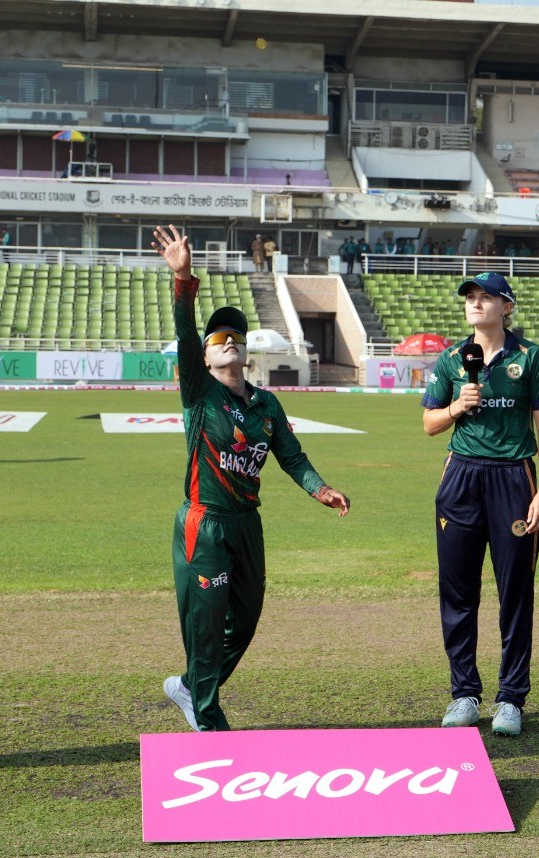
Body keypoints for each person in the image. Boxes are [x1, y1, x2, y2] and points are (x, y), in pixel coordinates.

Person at [150, 224, 351, 732]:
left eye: (236, 335)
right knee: (206, 620)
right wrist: (183, 278)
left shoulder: (266, 404)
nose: (230, 341)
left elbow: (291, 454)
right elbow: (184, 331)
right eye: (219, 338)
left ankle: (191, 684)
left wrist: (318, 487)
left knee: (246, 617)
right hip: (206, 523)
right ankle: (206, 713)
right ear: (205, 355)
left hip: (247, 525)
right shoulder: (199, 393)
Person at [421, 271, 539, 738]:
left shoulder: (530, 357)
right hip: (460, 476)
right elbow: (429, 423)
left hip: (513, 479)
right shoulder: (451, 360)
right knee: (458, 592)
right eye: (471, 298)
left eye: (486, 297)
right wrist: (457, 407)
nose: (476, 304)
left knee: (515, 593)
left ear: (507, 307)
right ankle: (464, 693)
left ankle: (511, 699)